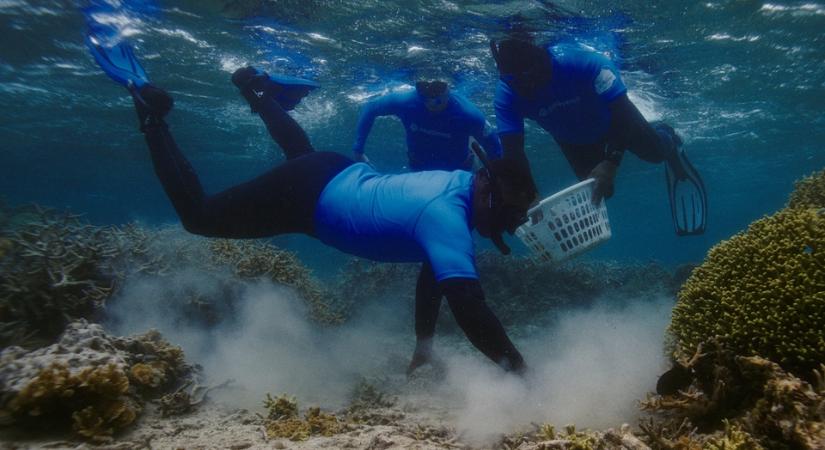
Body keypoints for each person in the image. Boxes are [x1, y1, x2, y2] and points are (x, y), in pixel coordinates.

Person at [87, 38, 535, 375]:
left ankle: (257, 91)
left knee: (300, 154)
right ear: (485, 184)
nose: (505, 222)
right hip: (307, 199)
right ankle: (151, 115)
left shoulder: (458, 182)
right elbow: (470, 308)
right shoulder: (447, 217)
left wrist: (424, 345)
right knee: (199, 219)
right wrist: (519, 372)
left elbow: (433, 273)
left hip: (331, 171)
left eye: (514, 218)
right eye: (505, 209)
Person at [489, 38, 707, 236]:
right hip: (573, 140)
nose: (520, 88)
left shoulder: (583, 63)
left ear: (539, 65)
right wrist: (528, 194)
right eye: (511, 80)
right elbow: (513, 149)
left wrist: (611, 162)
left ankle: (669, 136)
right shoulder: (508, 93)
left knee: (657, 154)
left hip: (615, 121)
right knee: (602, 191)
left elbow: (622, 111)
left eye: (523, 79)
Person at [351, 80, 502, 171]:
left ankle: (471, 146)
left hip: (457, 172)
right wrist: (358, 150)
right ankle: (470, 144)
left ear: (447, 93)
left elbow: (494, 146)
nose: (431, 104)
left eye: (437, 100)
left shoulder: (467, 113)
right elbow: (370, 108)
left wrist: (497, 177)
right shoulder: (407, 102)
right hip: (420, 168)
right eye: (425, 98)